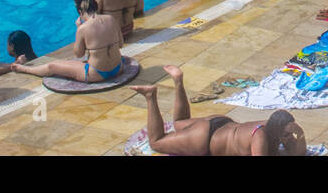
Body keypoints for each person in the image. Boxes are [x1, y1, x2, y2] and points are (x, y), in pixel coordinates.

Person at [130, 65, 306, 155]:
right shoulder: (260, 137)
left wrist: (300, 134)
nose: (290, 138)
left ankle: (178, 80)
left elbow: (299, 151)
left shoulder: (271, 125)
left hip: (220, 123)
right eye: (288, 135)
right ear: (277, 130)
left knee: (177, 123)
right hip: (204, 140)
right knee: (157, 142)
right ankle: (150, 97)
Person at [11, 0, 124, 83]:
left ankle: (24, 69)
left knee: (52, 66)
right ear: (96, 7)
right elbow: (121, 44)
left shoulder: (83, 28)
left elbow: (78, 54)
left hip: (97, 74)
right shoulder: (111, 18)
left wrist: (79, 29)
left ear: (80, 12)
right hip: (118, 67)